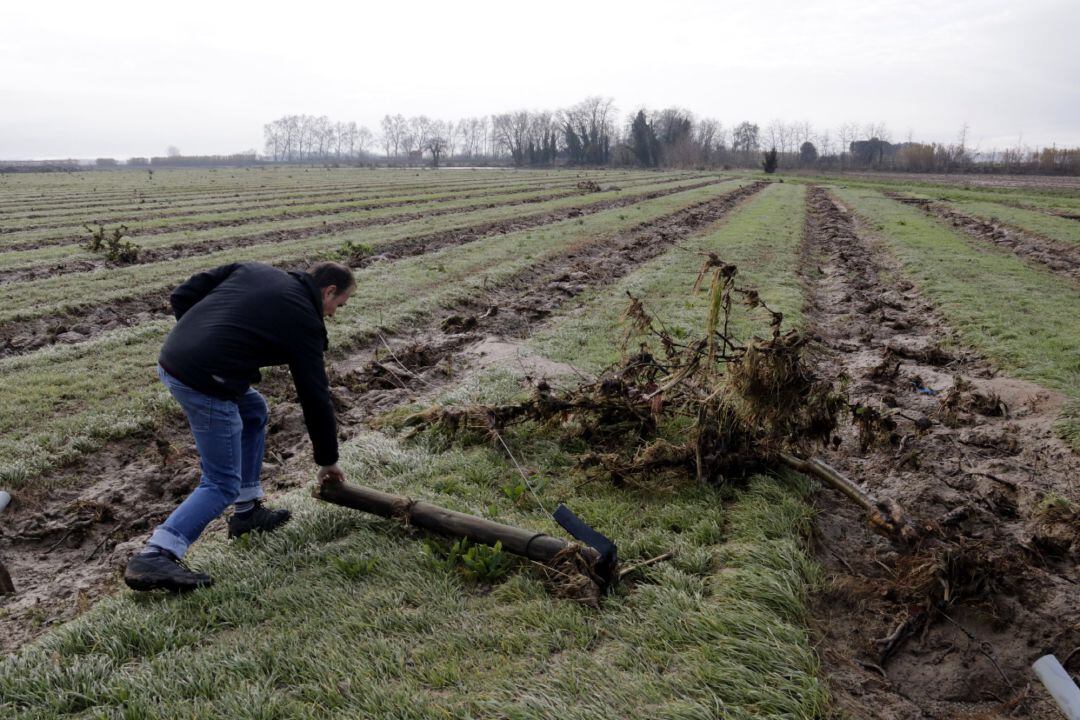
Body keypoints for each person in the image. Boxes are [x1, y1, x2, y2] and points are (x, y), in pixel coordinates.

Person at [124, 261, 355, 592]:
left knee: (253, 409)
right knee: (221, 482)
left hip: (173, 359)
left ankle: (247, 513)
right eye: (339, 305)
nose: (333, 314)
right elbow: (315, 397)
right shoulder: (305, 319)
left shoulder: (255, 270)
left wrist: (202, 343)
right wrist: (327, 461)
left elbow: (182, 295)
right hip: (203, 379)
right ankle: (157, 554)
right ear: (328, 291)